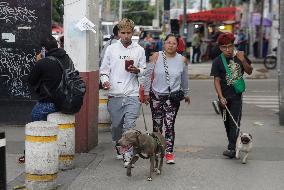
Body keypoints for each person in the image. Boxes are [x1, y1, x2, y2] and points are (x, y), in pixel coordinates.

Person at [18, 35, 73, 163]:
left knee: (34, 123)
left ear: (44, 49)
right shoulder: (66, 58)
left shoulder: (43, 62)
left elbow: (32, 80)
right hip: (66, 100)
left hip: (49, 102)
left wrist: (38, 62)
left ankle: (32, 155)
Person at [100, 18, 146, 167]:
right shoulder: (111, 49)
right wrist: (104, 81)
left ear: (133, 33)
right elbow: (104, 70)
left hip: (132, 94)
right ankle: (118, 144)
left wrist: (138, 70)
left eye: (129, 32)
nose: (126, 36)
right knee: (116, 127)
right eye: (123, 32)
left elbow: (145, 71)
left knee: (129, 127)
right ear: (118, 33)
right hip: (115, 94)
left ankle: (128, 155)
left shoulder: (139, 50)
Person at [144, 34, 190, 164]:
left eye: (174, 43)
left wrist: (186, 94)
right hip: (156, 96)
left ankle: (169, 152)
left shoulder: (182, 60)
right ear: (164, 44)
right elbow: (148, 76)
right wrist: (146, 93)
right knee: (157, 126)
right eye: (168, 42)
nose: (171, 45)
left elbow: (185, 79)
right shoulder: (156, 56)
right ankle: (157, 150)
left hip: (172, 98)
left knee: (169, 126)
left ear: (177, 45)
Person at [210, 32, 253, 158]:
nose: (227, 50)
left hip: (236, 97)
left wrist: (243, 60)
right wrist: (220, 97)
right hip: (224, 98)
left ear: (234, 45)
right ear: (220, 48)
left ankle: (231, 148)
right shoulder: (217, 61)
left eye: (230, 46)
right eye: (224, 47)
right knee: (227, 123)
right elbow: (216, 80)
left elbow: (249, 71)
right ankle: (233, 144)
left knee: (235, 122)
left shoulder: (240, 56)